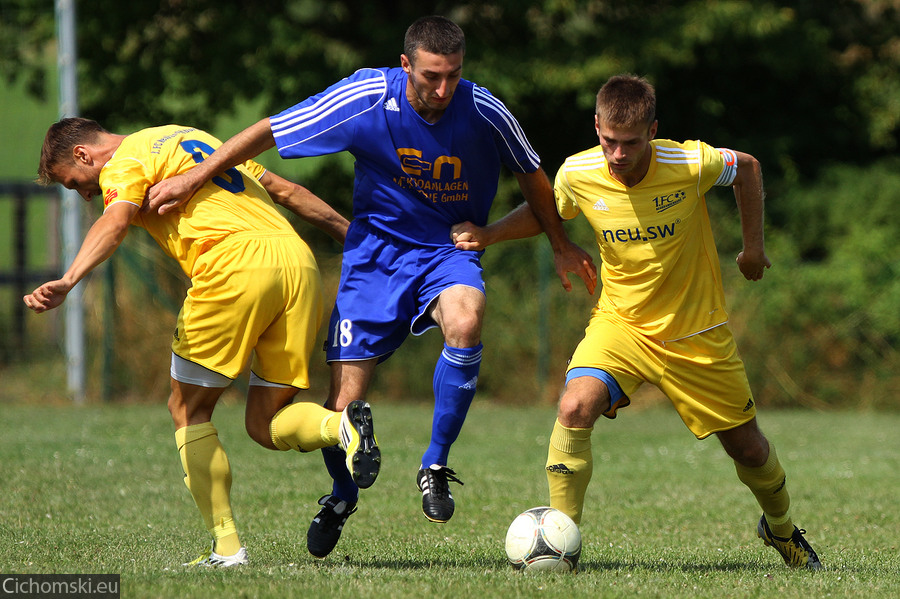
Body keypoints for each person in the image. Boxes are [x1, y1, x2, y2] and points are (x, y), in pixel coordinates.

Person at [146, 15, 596, 558]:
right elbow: (269, 129)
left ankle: (434, 464)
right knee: (343, 404)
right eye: (431, 76)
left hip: (445, 252)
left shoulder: (483, 110)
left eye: (453, 75)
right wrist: (194, 177)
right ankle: (340, 495)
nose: (443, 89)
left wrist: (559, 243)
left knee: (467, 318)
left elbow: (532, 174)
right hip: (374, 259)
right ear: (405, 65)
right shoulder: (364, 97)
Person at [450, 74, 822, 570]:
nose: (618, 154)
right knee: (574, 406)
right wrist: (489, 234)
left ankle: (780, 530)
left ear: (652, 131)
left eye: (630, 143)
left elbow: (749, 168)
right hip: (620, 325)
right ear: (596, 126)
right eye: (608, 140)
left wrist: (752, 247)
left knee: (749, 450)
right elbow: (547, 212)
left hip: (697, 332)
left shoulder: (689, 161)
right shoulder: (578, 172)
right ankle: (563, 544)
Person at [24, 118, 381, 567]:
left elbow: (114, 224)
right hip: (297, 264)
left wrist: (69, 278)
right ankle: (341, 428)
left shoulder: (125, 160)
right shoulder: (188, 137)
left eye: (74, 184)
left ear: (82, 155)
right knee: (265, 423)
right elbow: (287, 191)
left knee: (187, 410)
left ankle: (227, 548)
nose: (84, 194)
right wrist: (359, 244)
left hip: (232, 266)